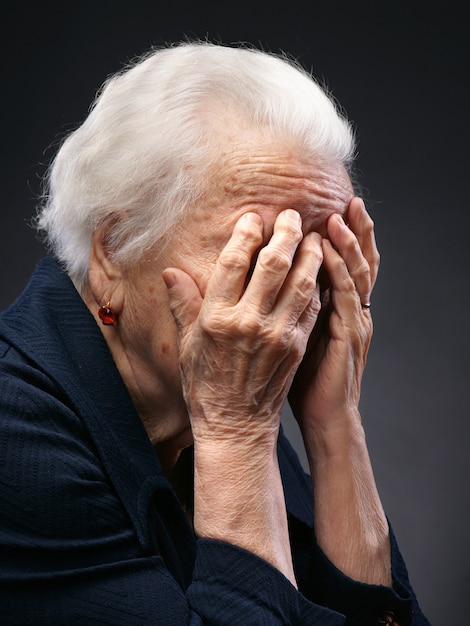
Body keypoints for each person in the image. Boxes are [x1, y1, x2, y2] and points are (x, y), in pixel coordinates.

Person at [0, 41, 429, 625]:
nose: (299, 297)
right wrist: (239, 431)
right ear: (114, 253)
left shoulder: (220, 388)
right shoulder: (15, 433)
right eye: (257, 251)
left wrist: (335, 427)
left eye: (321, 257)